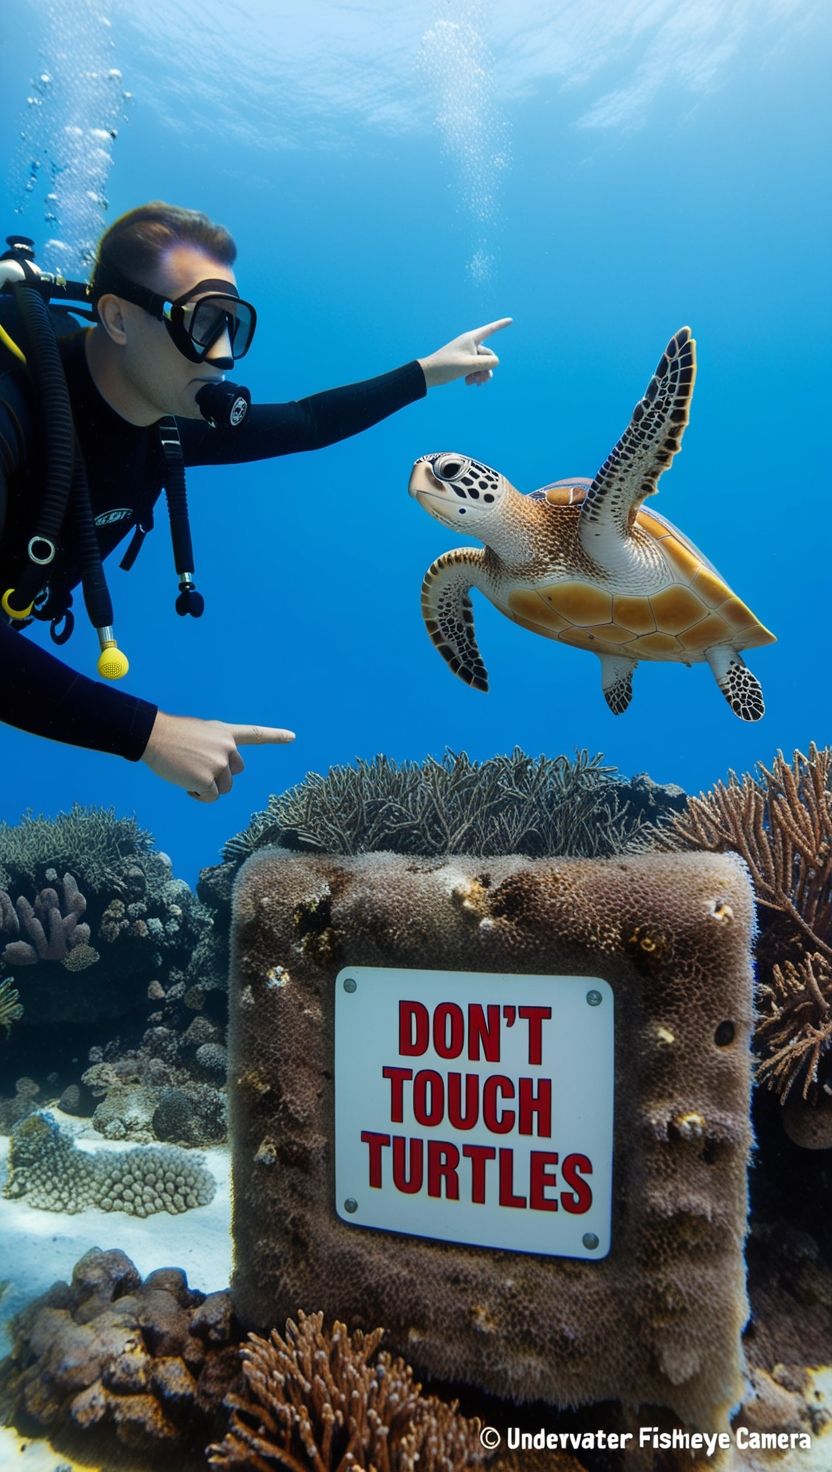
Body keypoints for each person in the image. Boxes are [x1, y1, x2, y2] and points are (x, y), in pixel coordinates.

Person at [0, 202, 510, 802]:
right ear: (116, 317)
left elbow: (305, 422)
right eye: (201, 323)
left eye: (233, 327)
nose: (223, 357)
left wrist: (428, 372)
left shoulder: (161, 421)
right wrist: (149, 733)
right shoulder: (14, 411)